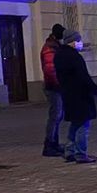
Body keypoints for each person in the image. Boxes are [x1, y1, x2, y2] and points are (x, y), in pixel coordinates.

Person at [54, 30, 97, 163]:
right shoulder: (74, 57)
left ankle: (69, 151)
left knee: (76, 123)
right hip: (80, 95)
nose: (80, 43)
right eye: (78, 40)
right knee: (83, 125)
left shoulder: (59, 55)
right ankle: (80, 153)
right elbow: (84, 77)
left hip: (68, 94)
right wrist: (96, 92)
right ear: (72, 41)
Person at [40, 24, 65, 156]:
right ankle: (49, 145)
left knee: (58, 115)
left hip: (55, 87)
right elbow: (50, 70)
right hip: (53, 87)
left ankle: (54, 143)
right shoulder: (50, 48)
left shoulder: (54, 47)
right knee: (55, 116)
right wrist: (59, 84)